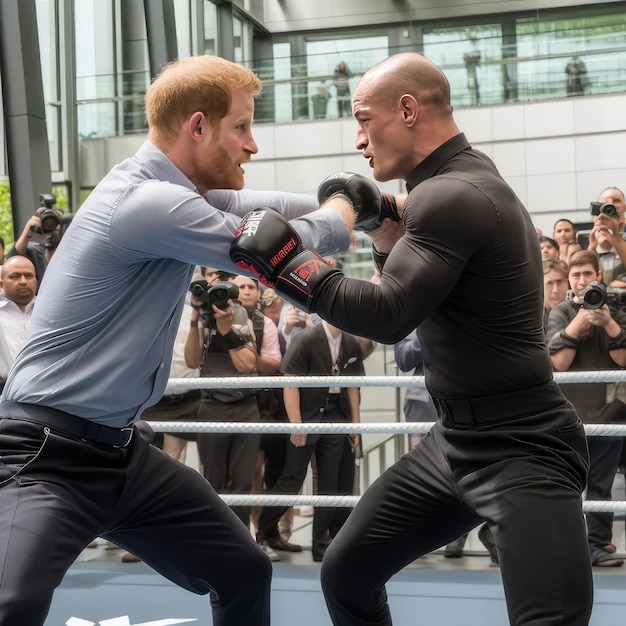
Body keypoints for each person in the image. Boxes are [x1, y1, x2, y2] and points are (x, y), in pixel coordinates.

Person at [230, 52, 593, 625]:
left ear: (406, 109)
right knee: (347, 571)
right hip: (455, 440)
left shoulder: (451, 193)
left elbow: (389, 312)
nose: (357, 139)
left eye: (362, 119)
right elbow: (415, 281)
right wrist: (383, 227)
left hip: (523, 444)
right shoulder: (457, 181)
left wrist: (285, 264)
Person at [0, 54, 359, 626]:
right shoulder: (145, 203)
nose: (252, 145)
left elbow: (262, 207)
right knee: (11, 605)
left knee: (243, 571)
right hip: (48, 451)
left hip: (121, 452)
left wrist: (359, 204)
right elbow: (265, 246)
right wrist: (345, 209)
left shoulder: (173, 193)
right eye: (241, 127)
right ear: (198, 126)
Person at [255, 319, 364, 562]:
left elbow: (353, 387)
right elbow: (290, 382)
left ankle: (324, 542)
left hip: (336, 417)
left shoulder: (350, 342)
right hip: (304, 414)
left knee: (332, 482)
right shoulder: (305, 339)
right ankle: (264, 531)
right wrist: (297, 424)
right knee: (291, 480)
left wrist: (356, 426)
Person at [546, 250, 626, 568]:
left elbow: (624, 360)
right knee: (566, 484)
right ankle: (570, 544)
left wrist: (607, 322)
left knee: (601, 484)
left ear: (599, 276)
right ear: (569, 280)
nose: (582, 281)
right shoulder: (561, 313)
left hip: (609, 413)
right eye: (576, 275)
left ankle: (597, 542)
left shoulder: (617, 310)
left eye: (587, 274)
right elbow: (559, 363)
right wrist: (580, 320)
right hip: (569, 416)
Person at [0, 256, 37, 391]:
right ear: (1, 285)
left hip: (51, 392)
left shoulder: (51, 310)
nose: (23, 281)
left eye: (29, 276)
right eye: (15, 276)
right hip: (6, 394)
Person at [543, 258, 570, 330]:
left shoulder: (575, 313)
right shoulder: (533, 319)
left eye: (559, 282)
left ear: (567, 284)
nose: (555, 290)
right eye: (549, 283)